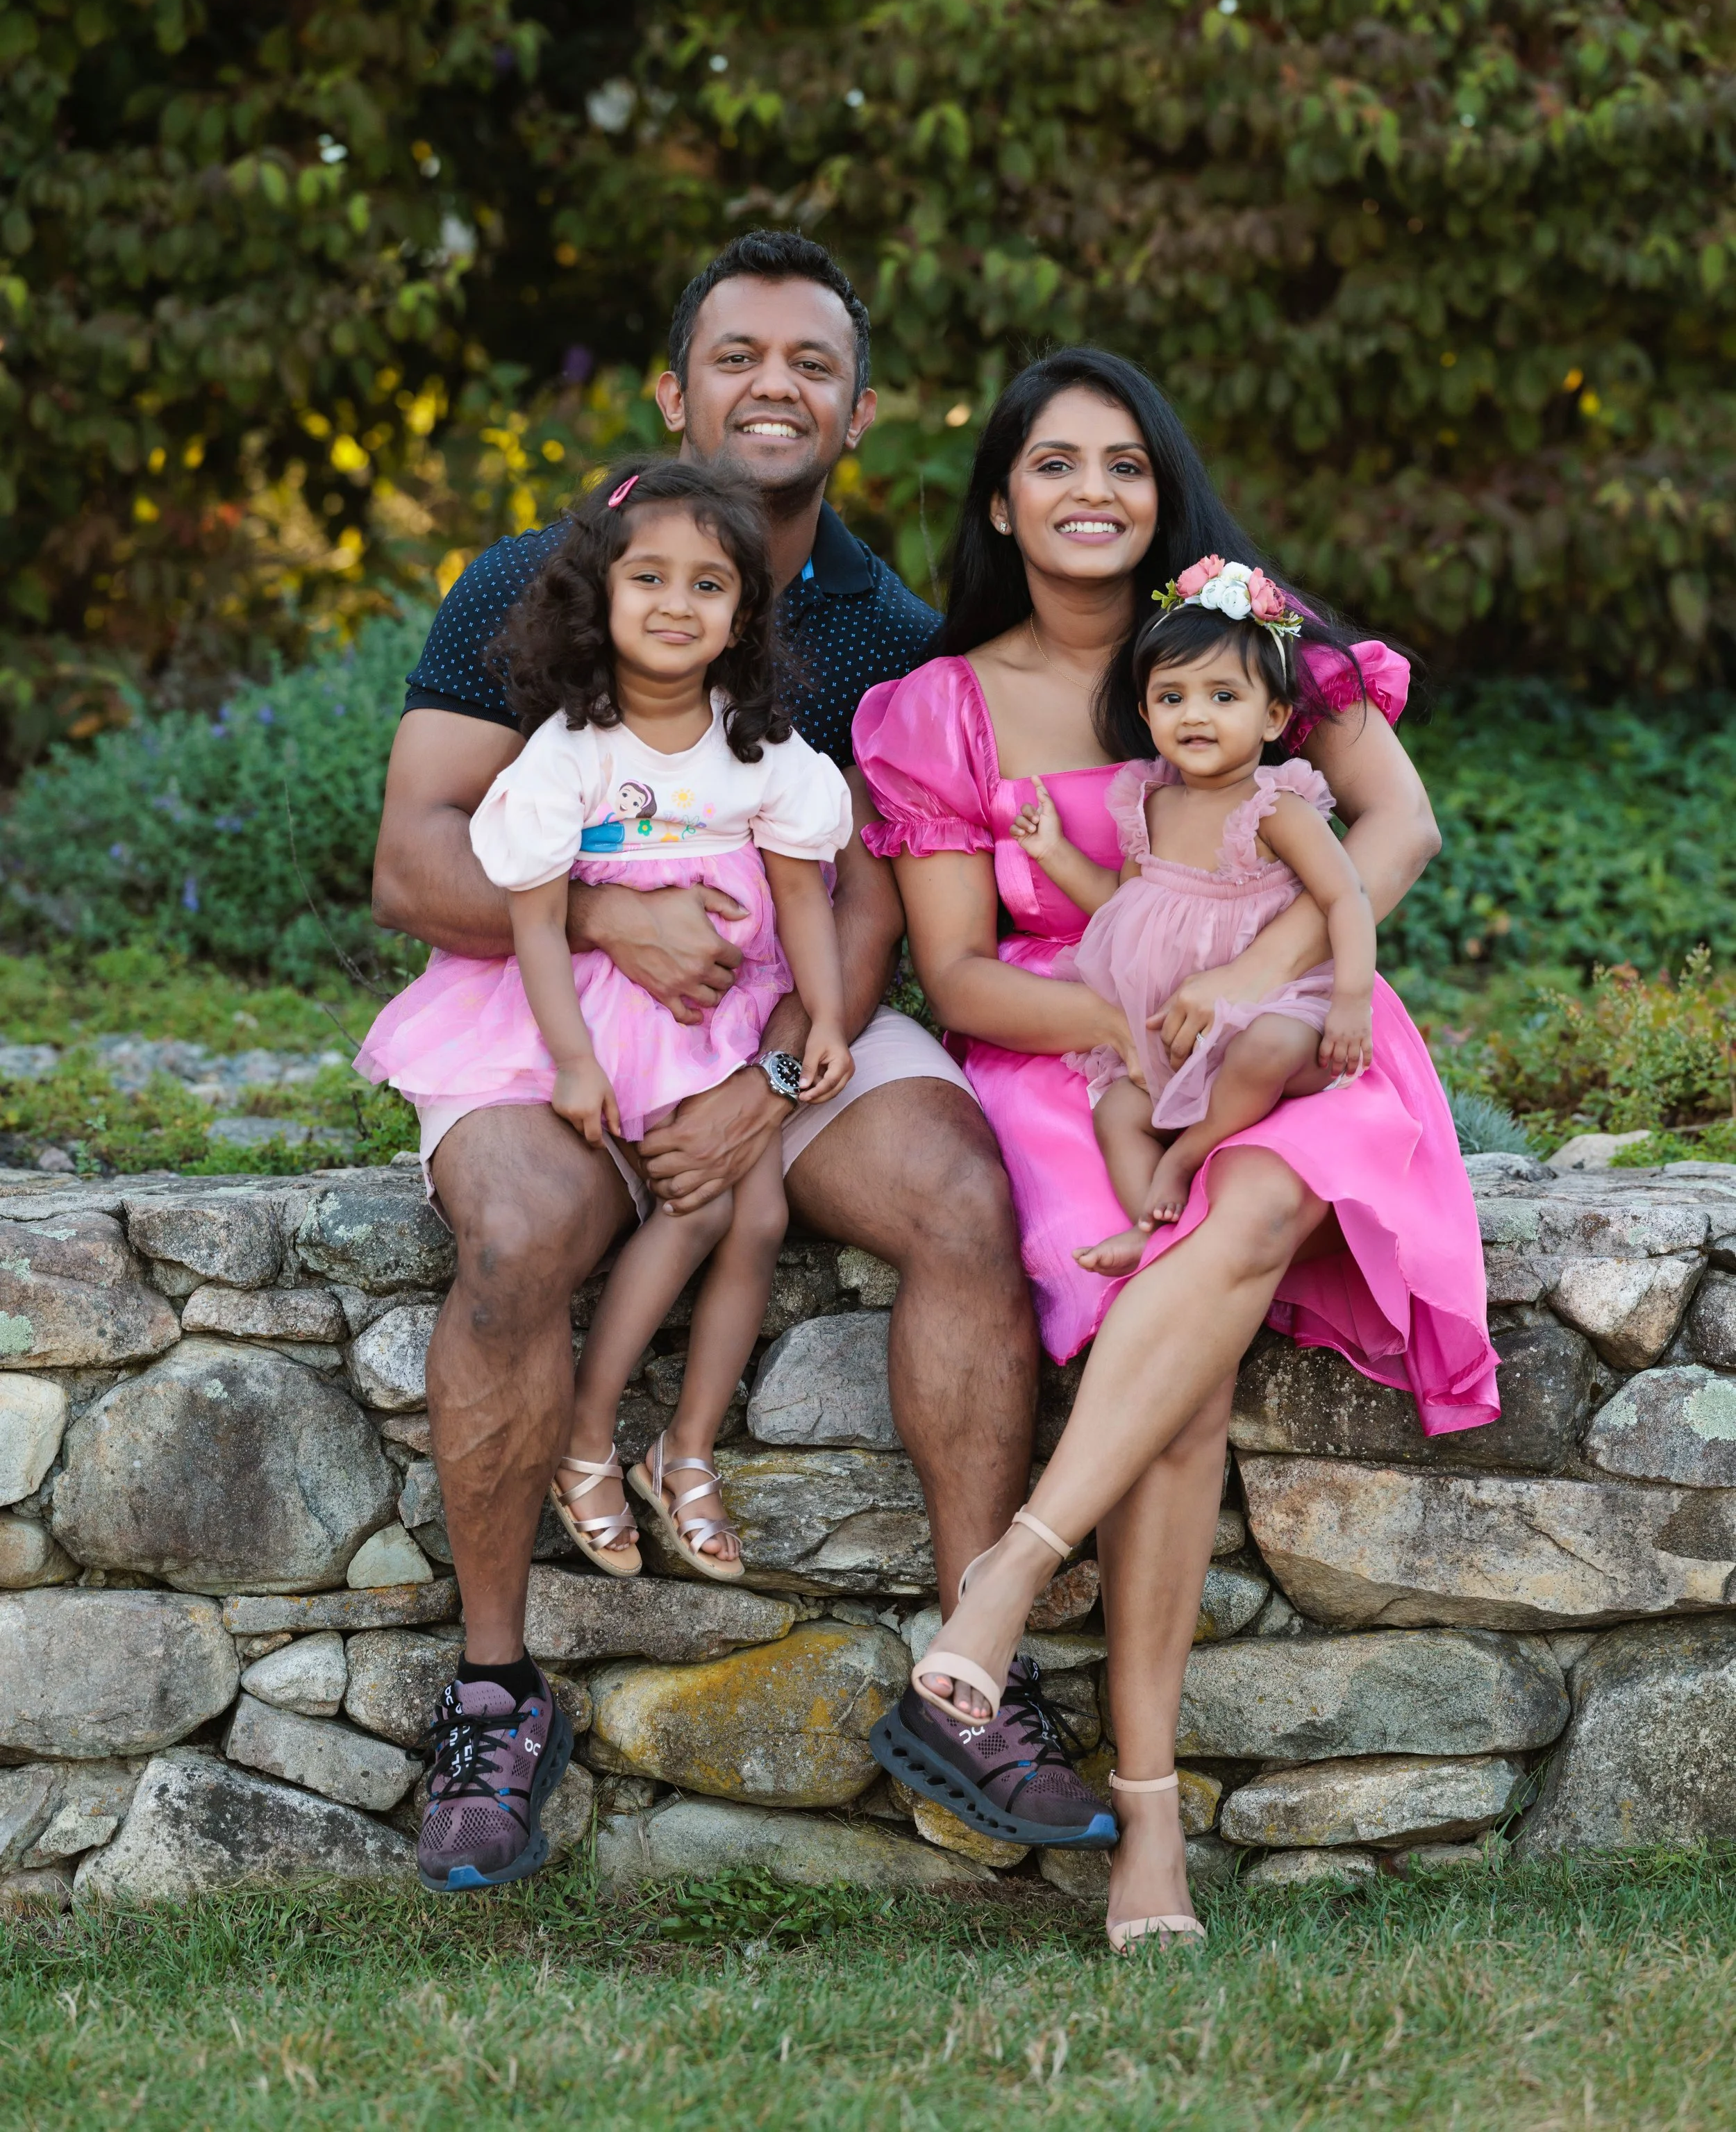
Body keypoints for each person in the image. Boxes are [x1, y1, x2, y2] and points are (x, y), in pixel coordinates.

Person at [369, 233, 1108, 1892]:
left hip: (776, 1013)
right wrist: (613, 921)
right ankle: (493, 1697)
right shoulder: (535, 579)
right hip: (544, 1003)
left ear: (857, 409)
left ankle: (968, 1680)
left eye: (812, 363)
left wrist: (765, 1085)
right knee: (516, 1231)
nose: (774, 386)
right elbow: (415, 859)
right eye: (737, 356)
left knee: (959, 1194)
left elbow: (870, 898)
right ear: (672, 389)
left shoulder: (887, 630)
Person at [856, 348, 1497, 1951]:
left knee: (1260, 1197)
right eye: (1053, 463)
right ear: (998, 502)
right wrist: (1143, 1033)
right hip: (1074, 1059)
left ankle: (1000, 1584)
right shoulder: (939, 707)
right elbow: (962, 975)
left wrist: (1269, 972)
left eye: (1124, 462)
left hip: (1289, 1035)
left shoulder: (1248, 640)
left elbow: (1398, 827)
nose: (1093, 491)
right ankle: (1149, 1815)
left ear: (1163, 488)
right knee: (1182, 1369)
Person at [360, 460, 856, 1631]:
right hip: (591, 1014)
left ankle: (682, 1446)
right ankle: (589, 1435)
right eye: (650, 579)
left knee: (754, 1212)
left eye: (709, 584)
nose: (678, 603)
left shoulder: (763, 749)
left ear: (744, 615)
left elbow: (803, 896)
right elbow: (536, 923)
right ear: (601, 595)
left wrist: (826, 1019)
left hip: (716, 1016)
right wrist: (576, 1062)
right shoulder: (567, 753)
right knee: (699, 1205)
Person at [1010, 564, 1376, 1269]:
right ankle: (1147, 1231)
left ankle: (1185, 1156)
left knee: (1266, 1046)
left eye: (1223, 696)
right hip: (1178, 1041)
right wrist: (1053, 852)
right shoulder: (1148, 803)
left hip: (1274, 1013)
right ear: (1146, 714)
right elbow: (1121, 907)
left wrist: (1352, 999)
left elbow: (1346, 896)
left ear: (1273, 718)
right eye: (1172, 697)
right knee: (1116, 1111)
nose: (1195, 715)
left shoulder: (1275, 807)